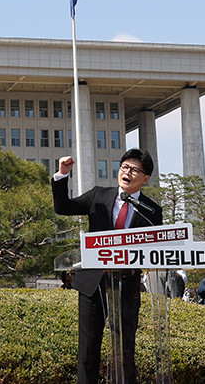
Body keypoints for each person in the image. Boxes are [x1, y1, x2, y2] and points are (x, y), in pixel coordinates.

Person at [53, 149, 162, 384]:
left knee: (125, 351)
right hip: (93, 285)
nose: (127, 172)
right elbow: (63, 208)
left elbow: (155, 250)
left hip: (128, 287)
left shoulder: (152, 211)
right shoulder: (98, 196)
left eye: (134, 170)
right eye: (124, 167)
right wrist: (62, 175)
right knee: (88, 351)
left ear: (145, 178)